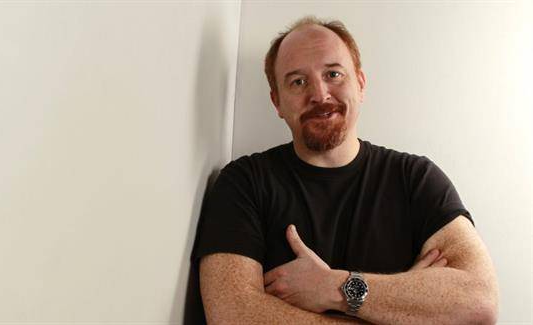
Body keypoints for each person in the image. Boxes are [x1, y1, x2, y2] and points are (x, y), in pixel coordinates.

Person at [190, 16, 499, 324]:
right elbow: (232, 314)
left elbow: (478, 301)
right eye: (298, 81)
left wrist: (333, 287)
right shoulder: (244, 183)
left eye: (334, 74)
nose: (320, 94)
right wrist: (401, 310)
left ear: (360, 84)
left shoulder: (415, 179)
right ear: (277, 102)